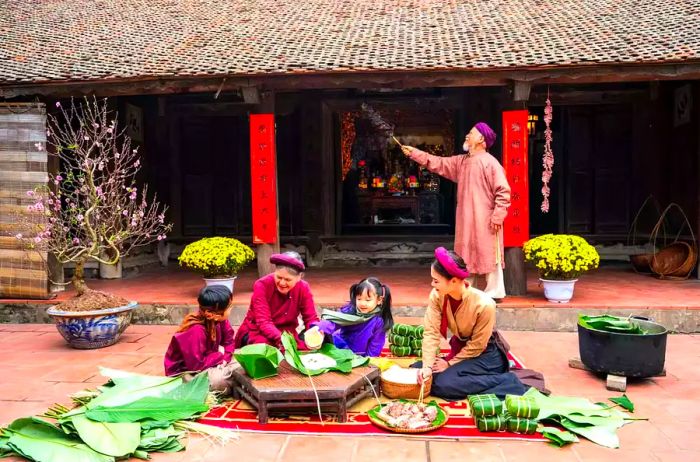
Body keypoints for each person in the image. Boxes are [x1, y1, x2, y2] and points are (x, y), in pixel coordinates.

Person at [401, 122, 510, 300]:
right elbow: (438, 162)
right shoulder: (462, 161)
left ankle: (494, 293)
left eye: (471, 133)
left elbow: (503, 191)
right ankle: (467, 291)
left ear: (481, 139)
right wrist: (415, 153)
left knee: (489, 253)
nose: (467, 135)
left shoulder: (491, 163)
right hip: (466, 217)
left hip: (487, 218)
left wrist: (498, 216)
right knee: (466, 253)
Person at [413, 247, 526, 400]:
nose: (432, 284)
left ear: (453, 281)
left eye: (436, 280)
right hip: (463, 349)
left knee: (442, 384)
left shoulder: (485, 304)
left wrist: (449, 364)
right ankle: (455, 375)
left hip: (485, 354)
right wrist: (427, 366)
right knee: (417, 371)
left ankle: (507, 381)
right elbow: (431, 332)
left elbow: (477, 345)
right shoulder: (437, 295)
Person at [234, 251, 319, 350]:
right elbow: (264, 322)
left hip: (287, 334)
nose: (282, 283)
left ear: (299, 277)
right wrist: (284, 341)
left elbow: (311, 318)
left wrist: (316, 332)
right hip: (258, 332)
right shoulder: (262, 285)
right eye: (278, 277)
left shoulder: (303, 287)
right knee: (267, 353)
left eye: (287, 280)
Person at [164, 285, 236, 394]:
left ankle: (233, 378)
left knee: (243, 358)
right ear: (211, 314)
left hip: (211, 362)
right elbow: (196, 365)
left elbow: (229, 340)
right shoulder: (195, 330)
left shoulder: (219, 319)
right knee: (219, 381)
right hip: (188, 374)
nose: (231, 308)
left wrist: (225, 358)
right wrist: (220, 356)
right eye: (229, 307)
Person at [314, 277, 394, 357]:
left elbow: (375, 346)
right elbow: (333, 322)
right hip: (341, 350)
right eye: (359, 299)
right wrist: (319, 328)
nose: (362, 303)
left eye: (368, 300)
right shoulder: (350, 310)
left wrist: (368, 361)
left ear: (379, 300)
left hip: (361, 356)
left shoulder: (378, 321)